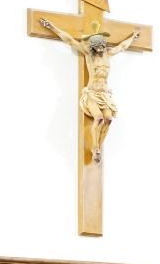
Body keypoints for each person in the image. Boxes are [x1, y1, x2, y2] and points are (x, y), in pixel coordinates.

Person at [38, 17, 141, 163]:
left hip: (105, 95)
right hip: (92, 94)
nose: (100, 48)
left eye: (101, 45)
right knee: (99, 118)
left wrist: (133, 37)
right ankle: (95, 148)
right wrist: (52, 27)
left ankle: (98, 146)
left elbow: (123, 46)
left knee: (109, 119)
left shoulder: (109, 53)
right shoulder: (88, 54)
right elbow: (69, 40)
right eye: (97, 45)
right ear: (92, 46)